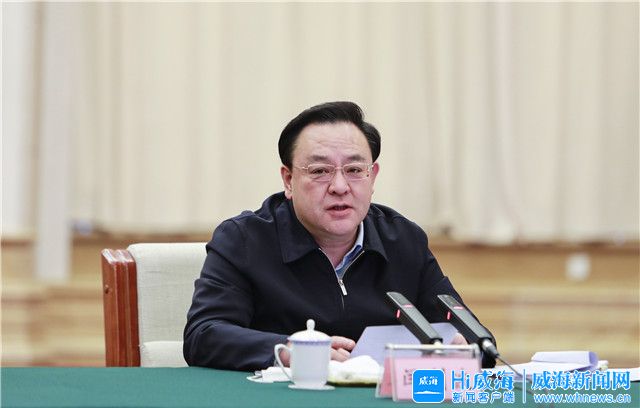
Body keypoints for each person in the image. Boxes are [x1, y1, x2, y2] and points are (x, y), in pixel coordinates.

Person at [183, 101, 496, 370]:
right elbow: (203, 336)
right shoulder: (244, 240)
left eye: (354, 170)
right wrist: (287, 350)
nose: (340, 187)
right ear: (288, 180)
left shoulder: (403, 240)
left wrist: (468, 349)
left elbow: (473, 335)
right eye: (319, 171)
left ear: (372, 177)